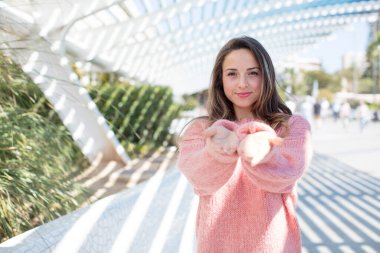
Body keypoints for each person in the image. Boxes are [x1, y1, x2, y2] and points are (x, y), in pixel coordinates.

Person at [176, 36, 312, 253]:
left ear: (266, 76)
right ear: (220, 80)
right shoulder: (201, 131)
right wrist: (219, 150)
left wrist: (260, 146)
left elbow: (287, 174)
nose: (242, 83)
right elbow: (198, 178)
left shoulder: (292, 127)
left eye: (253, 73)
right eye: (232, 74)